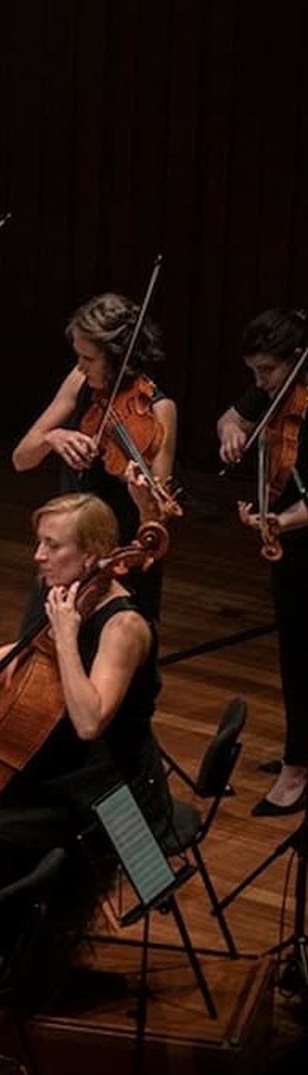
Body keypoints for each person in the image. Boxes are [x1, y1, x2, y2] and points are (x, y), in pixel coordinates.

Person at [0, 494, 171, 918]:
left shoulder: (124, 627)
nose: (38, 556)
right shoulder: (78, 594)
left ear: (92, 554)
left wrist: (65, 636)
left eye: (52, 545)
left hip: (111, 792)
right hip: (69, 770)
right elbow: (37, 650)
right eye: (38, 542)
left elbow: (90, 721)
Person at [10, 292, 176, 620]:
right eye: (78, 357)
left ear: (118, 358)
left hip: (121, 555)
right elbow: (21, 458)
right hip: (66, 550)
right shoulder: (78, 381)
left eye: (89, 359)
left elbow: (157, 516)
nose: (81, 367)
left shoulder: (159, 408)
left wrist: (140, 494)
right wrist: (52, 438)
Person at [217, 306, 308, 816]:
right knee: (295, 653)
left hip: (300, 533)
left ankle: (298, 767)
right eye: (254, 371)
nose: (260, 383)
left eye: (266, 372)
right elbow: (232, 416)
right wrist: (231, 431)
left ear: (296, 359)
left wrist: (280, 523)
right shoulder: (276, 385)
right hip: (292, 542)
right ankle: (300, 757)